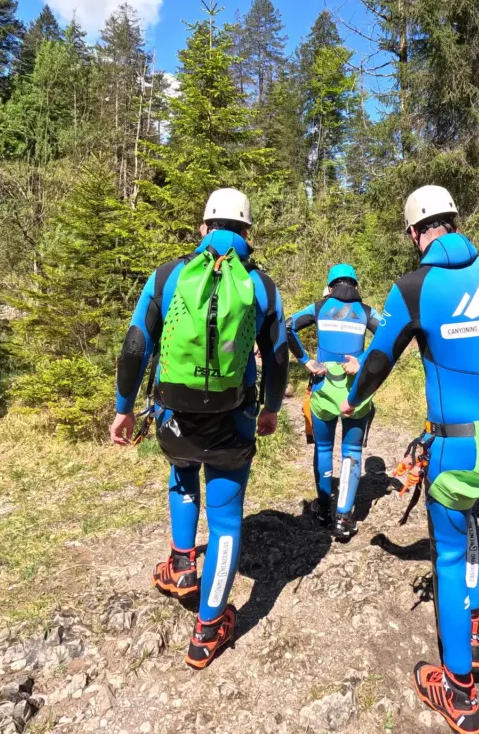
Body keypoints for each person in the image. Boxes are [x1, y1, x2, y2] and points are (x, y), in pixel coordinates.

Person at [340, 186, 479, 734]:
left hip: (458, 443)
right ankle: (473, 627)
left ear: (414, 233)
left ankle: (458, 687)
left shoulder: (415, 287)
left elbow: (380, 356)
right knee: (474, 525)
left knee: (451, 552)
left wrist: (353, 397)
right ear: (454, 221)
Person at [110, 188, 289, 670]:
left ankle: (183, 564)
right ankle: (208, 630)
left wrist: (123, 409)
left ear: (202, 228)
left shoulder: (168, 276)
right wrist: (270, 408)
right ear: (247, 232)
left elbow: (134, 347)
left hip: (174, 421)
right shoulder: (262, 285)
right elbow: (277, 356)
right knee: (227, 519)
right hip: (232, 422)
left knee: (183, 474)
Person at [286, 264, 380, 541]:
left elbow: (287, 327)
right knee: (352, 449)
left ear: (330, 286)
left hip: (323, 386)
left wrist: (307, 361)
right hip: (355, 392)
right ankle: (343, 517)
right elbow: (388, 338)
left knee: (324, 447)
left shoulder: (318, 308)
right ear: (355, 284)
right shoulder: (365, 312)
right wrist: (361, 361)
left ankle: (324, 508)